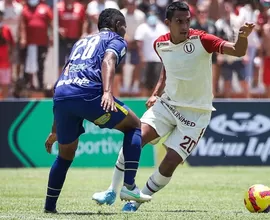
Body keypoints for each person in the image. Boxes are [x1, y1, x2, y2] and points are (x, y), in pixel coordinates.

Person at [92, 1, 254, 212]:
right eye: (179, 21)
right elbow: (167, 71)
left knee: (169, 162)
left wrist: (241, 38)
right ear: (168, 23)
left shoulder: (202, 40)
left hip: (197, 114)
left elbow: (237, 51)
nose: (185, 26)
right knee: (135, 137)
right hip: (168, 105)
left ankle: (136, 201)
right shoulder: (159, 44)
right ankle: (112, 190)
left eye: (187, 21)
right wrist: (155, 93)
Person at [43, 8, 152, 213]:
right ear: (119, 25)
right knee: (135, 125)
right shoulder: (117, 39)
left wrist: (55, 130)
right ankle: (129, 186)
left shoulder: (81, 41)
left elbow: (65, 75)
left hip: (62, 94)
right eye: (124, 27)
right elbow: (108, 60)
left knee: (65, 155)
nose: (125, 31)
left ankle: (49, 208)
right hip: (89, 93)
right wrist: (108, 92)